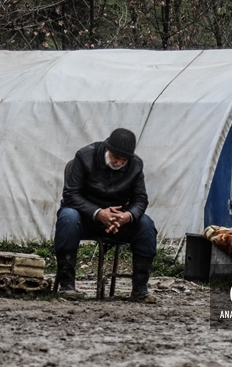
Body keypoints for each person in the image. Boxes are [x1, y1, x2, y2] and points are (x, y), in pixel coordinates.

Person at [54, 128, 157, 301]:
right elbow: (70, 194)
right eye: (116, 157)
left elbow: (140, 200)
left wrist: (127, 217)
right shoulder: (84, 156)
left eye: (124, 160)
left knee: (146, 225)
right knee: (68, 217)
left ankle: (140, 289)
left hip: (117, 223)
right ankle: (67, 285)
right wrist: (98, 213)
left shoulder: (136, 165)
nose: (119, 163)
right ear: (107, 149)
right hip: (84, 218)